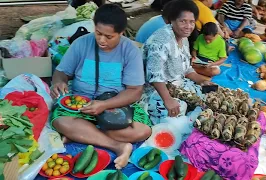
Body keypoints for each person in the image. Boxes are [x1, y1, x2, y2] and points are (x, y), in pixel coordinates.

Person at [50, 4, 151, 169]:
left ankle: (83, 134)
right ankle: (118, 146)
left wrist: (104, 105)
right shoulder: (81, 44)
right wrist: (59, 82)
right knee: (60, 121)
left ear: (121, 33)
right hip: (81, 105)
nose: (102, 40)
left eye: (109, 36)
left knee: (143, 130)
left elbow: (135, 91)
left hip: (116, 106)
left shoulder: (130, 51)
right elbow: (61, 72)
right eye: (98, 33)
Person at [142, 0, 214, 124]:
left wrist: (202, 80)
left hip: (177, 85)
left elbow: (186, 69)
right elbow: (154, 76)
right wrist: (167, 99)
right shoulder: (161, 41)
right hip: (156, 90)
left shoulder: (183, 38)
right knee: (177, 110)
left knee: (208, 96)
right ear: (172, 20)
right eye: (183, 21)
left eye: (192, 22)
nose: (188, 26)